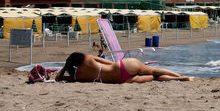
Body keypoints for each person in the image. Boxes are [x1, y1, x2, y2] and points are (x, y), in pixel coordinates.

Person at [55, 52, 194, 83]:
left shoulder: (77, 76)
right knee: (154, 70)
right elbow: (109, 63)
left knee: (155, 78)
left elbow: (58, 78)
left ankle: (182, 79)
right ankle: (182, 77)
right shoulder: (89, 58)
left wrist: (65, 66)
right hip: (122, 66)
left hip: (123, 81)